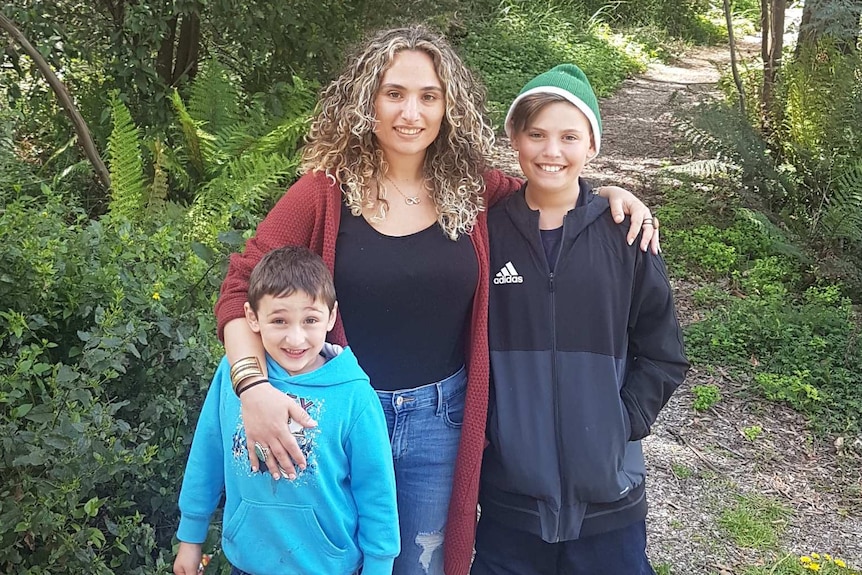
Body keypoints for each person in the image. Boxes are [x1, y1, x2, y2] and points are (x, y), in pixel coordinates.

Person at [214, 26, 660, 575]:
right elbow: (239, 288)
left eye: (429, 96)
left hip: (440, 425)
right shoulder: (323, 192)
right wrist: (251, 387)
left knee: (418, 565)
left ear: (449, 106)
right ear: (366, 101)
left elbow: (549, 189)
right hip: (335, 416)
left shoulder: (472, 189)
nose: (411, 113)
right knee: (325, 559)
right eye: (394, 93)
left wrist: (612, 197)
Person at [472, 64, 690, 575]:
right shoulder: (484, 235)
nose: (552, 151)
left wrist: (623, 423)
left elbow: (663, 351)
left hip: (608, 502)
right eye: (538, 134)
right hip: (512, 502)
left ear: (592, 145)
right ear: (514, 139)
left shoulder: (625, 236)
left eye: (570, 136)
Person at [174, 246, 399, 575]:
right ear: (252, 317)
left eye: (310, 320)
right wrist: (190, 539)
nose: (296, 338)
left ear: (332, 316)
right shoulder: (232, 375)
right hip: (248, 564)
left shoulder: (354, 395)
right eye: (279, 320)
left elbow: (376, 491)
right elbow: (207, 455)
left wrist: (379, 567)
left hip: (326, 568)